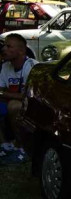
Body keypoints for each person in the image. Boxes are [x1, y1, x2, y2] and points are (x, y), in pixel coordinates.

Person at [0, 34, 36, 164]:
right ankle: (5, 145)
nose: (4, 49)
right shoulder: (5, 66)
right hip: (13, 102)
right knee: (12, 103)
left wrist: (6, 94)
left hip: (32, 107)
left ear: (21, 50)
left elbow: (28, 96)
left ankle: (22, 148)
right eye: (4, 45)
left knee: (14, 105)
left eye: (9, 46)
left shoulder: (32, 66)